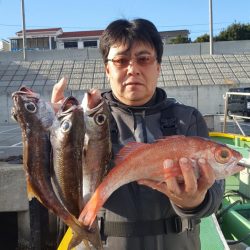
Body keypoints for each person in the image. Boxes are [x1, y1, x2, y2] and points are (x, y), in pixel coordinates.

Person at [51, 18, 224, 250]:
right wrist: (54, 133)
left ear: (158, 66)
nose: (133, 69)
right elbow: (57, 181)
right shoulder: (82, 120)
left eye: (143, 59)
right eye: (121, 61)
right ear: (107, 69)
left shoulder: (189, 119)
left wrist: (194, 201)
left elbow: (214, 195)